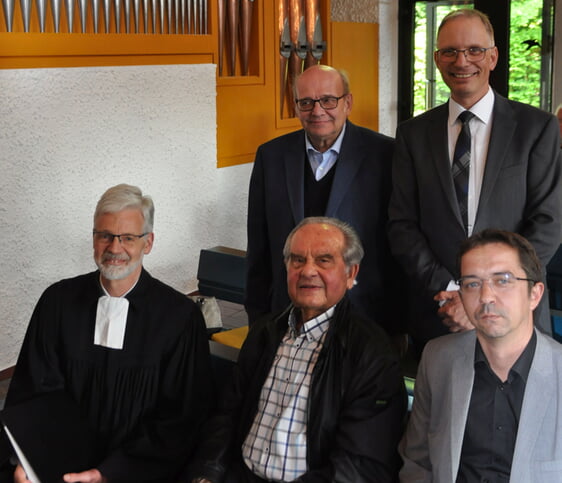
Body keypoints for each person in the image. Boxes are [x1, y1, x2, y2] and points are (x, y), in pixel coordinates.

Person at [0, 184, 213, 483]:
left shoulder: (179, 318)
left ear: (148, 242)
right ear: (93, 240)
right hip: (57, 467)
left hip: (137, 472)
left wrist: (109, 473)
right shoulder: (57, 302)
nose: (114, 248)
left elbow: (180, 420)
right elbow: (34, 392)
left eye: (128, 237)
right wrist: (28, 460)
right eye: (105, 235)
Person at [388, 8, 562, 353]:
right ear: (437, 60)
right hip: (439, 312)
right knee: (441, 407)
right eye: (450, 51)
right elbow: (401, 225)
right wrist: (453, 292)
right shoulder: (412, 134)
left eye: (474, 50)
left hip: (515, 313)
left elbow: (548, 223)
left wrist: (490, 293)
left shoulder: (537, 129)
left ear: (493, 57)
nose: (462, 61)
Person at [188, 217, 407, 483]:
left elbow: (359, 464)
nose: (308, 271)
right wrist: (207, 473)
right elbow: (227, 415)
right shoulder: (265, 332)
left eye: (324, 260)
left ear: (351, 274)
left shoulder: (373, 354)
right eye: (297, 260)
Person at [245, 64, 403, 338]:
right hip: (288, 316)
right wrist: (259, 319)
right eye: (306, 102)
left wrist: (399, 325)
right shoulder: (270, 157)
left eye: (328, 100)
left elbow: (397, 242)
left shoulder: (386, 155)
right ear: (295, 107)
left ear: (348, 103)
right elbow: (259, 247)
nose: (317, 111)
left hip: (365, 318)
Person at [400, 229, 562, 482]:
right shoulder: (438, 358)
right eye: (473, 283)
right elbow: (418, 461)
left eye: (503, 280)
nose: (486, 296)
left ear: (535, 294)